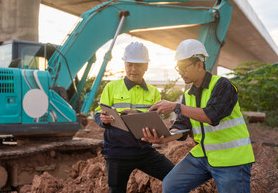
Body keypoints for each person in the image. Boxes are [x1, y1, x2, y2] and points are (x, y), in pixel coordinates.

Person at [142, 39, 255, 193]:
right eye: (178, 68)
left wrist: (176, 106)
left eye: (183, 67)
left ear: (199, 64)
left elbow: (211, 116)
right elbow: (182, 127)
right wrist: (164, 138)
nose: (180, 72)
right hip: (203, 155)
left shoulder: (222, 85)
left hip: (232, 158)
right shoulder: (188, 95)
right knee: (171, 185)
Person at [94, 42, 175, 193]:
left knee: (175, 177)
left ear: (146, 66)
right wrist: (102, 119)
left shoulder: (153, 92)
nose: (133, 69)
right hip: (117, 153)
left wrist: (138, 115)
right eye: (129, 64)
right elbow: (98, 113)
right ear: (124, 64)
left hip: (144, 151)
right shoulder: (111, 87)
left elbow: (156, 121)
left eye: (138, 65)